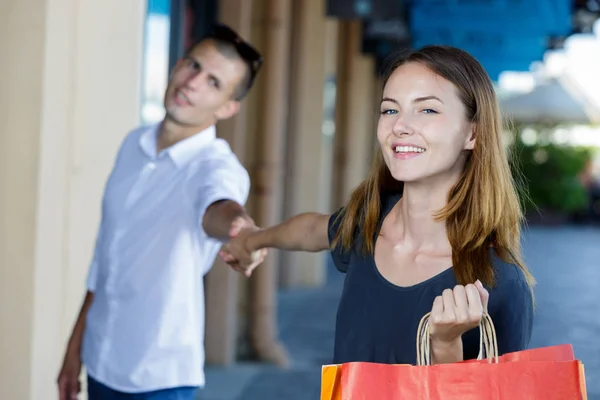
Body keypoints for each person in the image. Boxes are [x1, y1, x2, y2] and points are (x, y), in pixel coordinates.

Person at [221, 45, 535, 366]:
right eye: (389, 110)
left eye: (427, 110)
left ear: (473, 134)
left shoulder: (500, 283)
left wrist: (444, 345)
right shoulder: (367, 224)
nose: (400, 126)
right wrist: (253, 240)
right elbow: (311, 229)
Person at [56, 23, 266, 400]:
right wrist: (74, 350)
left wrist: (241, 229)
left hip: (159, 379)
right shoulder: (133, 144)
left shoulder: (216, 168)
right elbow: (105, 261)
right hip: (102, 358)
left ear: (228, 107)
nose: (192, 82)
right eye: (192, 65)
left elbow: (221, 208)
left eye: (214, 82)